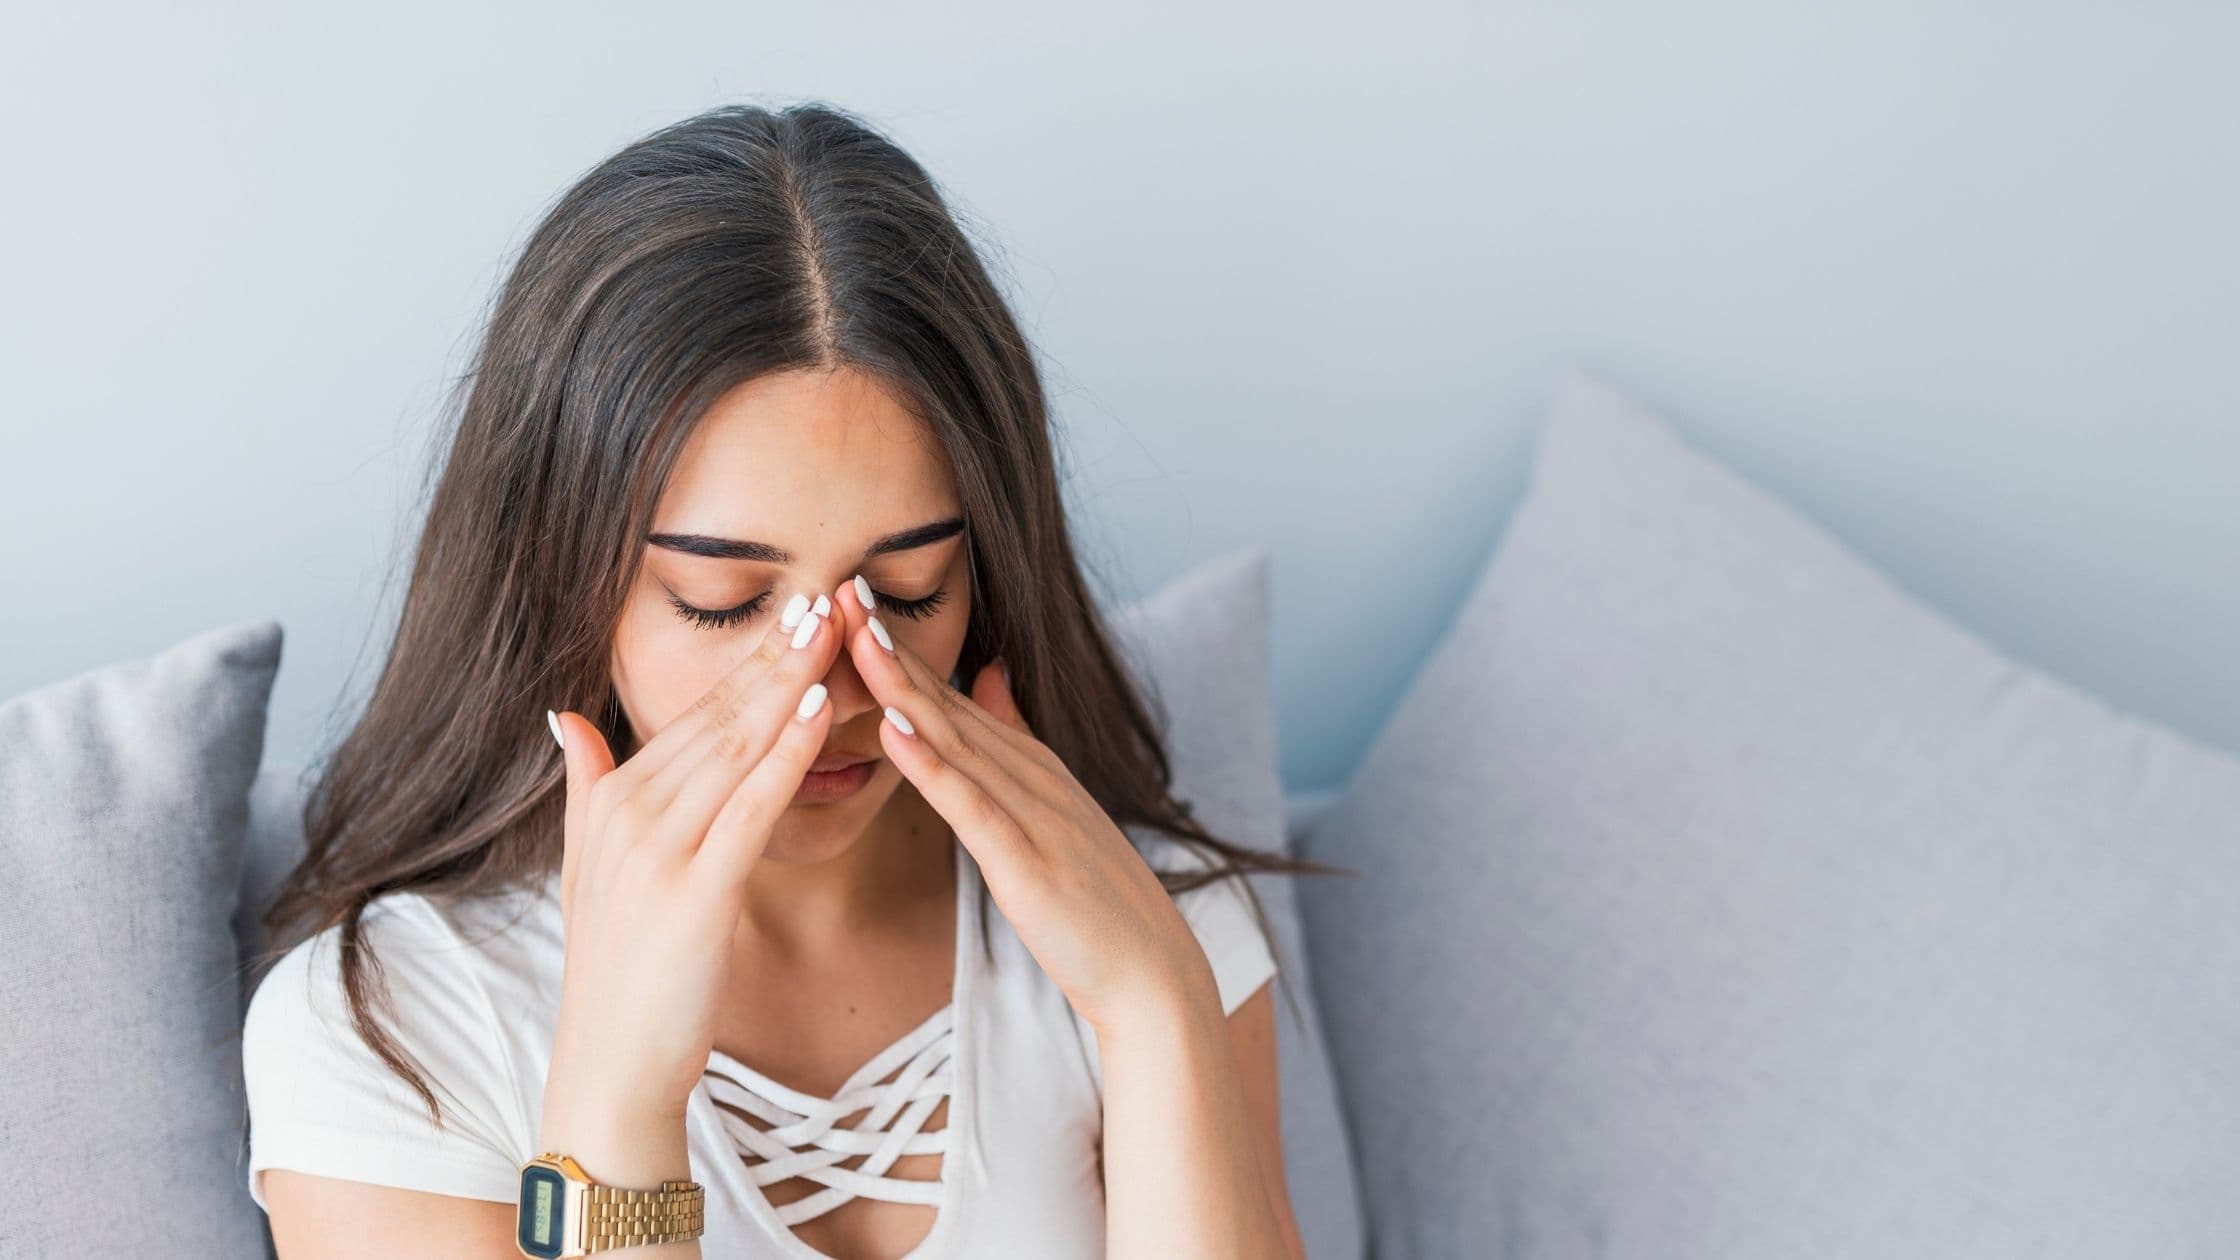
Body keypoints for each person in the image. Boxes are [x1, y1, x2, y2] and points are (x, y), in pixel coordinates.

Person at [241, 99, 1338, 1259]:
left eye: (907, 589)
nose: (832, 689)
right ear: (563, 577)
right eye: (723, 602)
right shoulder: (387, 1028)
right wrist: (616, 1099)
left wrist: (1155, 1011)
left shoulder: (1152, 929)